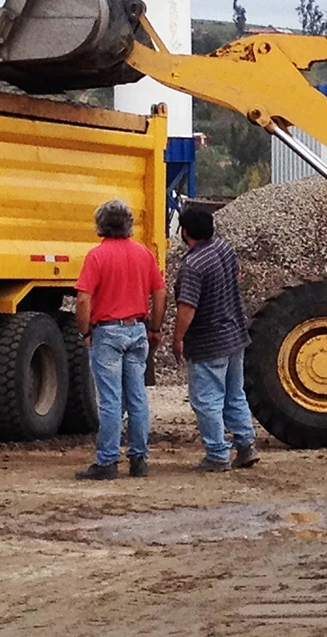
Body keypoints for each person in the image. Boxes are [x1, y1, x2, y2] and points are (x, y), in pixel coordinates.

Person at [74, 198, 166, 481]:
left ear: (101, 225)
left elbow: (83, 299)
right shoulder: (143, 254)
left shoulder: (97, 256)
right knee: (137, 397)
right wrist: (155, 327)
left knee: (111, 400)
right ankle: (139, 459)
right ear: (129, 225)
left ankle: (107, 461)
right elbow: (160, 291)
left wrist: (85, 331)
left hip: (107, 331)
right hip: (137, 329)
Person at [172, 203, 258, 472]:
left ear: (185, 232)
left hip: (208, 342)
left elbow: (187, 307)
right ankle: (246, 445)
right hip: (235, 335)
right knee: (234, 394)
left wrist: (178, 339)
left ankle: (217, 454)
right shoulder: (224, 248)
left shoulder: (193, 265)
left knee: (207, 400)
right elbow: (236, 277)